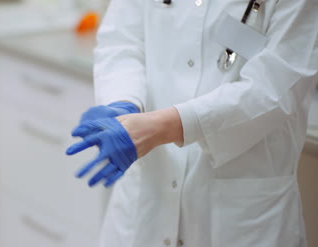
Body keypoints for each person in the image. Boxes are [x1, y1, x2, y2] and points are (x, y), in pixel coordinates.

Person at [66, 0, 318, 246]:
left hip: (240, 217)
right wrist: (122, 103)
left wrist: (165, 126)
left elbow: (274, 88)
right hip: (144, 203)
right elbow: (121, 42)